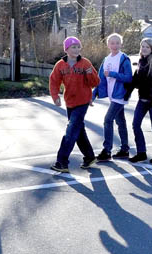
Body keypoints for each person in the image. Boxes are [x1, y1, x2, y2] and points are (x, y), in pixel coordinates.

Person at [48, 37, 100, 173]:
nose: (76, 49)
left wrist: (90, 74)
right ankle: (89, 157)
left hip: (83, 102)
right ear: (66, 50)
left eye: (78, 47)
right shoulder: (60, 65)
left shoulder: (85, 63)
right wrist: (55, 97)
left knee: (70, 131)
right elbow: (54, 82)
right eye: (73, 47)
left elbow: (95, 82)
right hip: (69, 102)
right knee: (79, 131)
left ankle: (62, 162)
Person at [123, 38, 152, 163]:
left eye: (147, 47)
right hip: (143, 100)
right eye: (142, 46)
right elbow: (136, 81)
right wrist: (126, 91)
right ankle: (141, 152)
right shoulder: (141, 62)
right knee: (136, 124)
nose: (144, 49)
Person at [92, 33, 133, 161]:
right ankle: (125, 149)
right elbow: (100, 80)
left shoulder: (124, 58)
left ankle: (107, 150)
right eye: (112, 43)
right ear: (108, 45)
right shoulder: (106, 59)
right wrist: (92, 96)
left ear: (121, 44)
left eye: (117, 43)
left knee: (107, 120)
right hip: (112, 95)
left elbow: (128, 78)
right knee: (120, 121)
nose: (115, 45)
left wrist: (113, 74)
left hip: (120, 96)